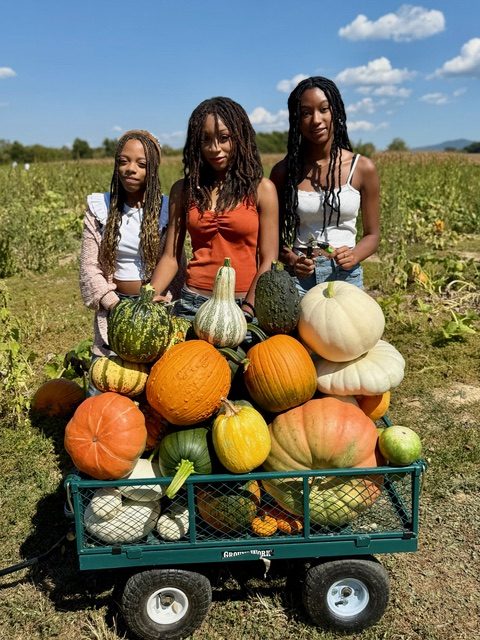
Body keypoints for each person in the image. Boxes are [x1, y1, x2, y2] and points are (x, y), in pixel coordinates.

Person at [150, 97, 279, 322]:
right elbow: (170, 257)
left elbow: (269, 259)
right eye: (206, 140)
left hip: (243, 306)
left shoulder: (262, 190)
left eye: (224, 138)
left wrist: (248, 309)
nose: (215, 148)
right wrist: (149, 296)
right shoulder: (184, 190)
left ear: (240, 137)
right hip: (193, 305)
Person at [79, 129, 184, 364]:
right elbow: (89, 267)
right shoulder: (100, 208)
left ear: (153, 169)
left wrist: (164, 300)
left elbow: (176, 262)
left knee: (155, 381)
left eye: (141, 164)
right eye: (123, 161)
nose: (130, 169)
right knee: (107, 382)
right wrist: (113, 305)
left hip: (156, 307)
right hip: (114, 305)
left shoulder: (166, 210)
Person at [270, 76, 380, 295]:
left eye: (324, 109)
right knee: (293, 331)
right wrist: (292, 259)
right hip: (298, 279)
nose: (316, 120)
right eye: (306, 113)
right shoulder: (284, 172)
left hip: (346, 275)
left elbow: (373, 235)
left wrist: (355, 255)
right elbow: (270, 237)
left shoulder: (362, 168)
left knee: (349, 330)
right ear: (297, 120)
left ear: (335, 112)